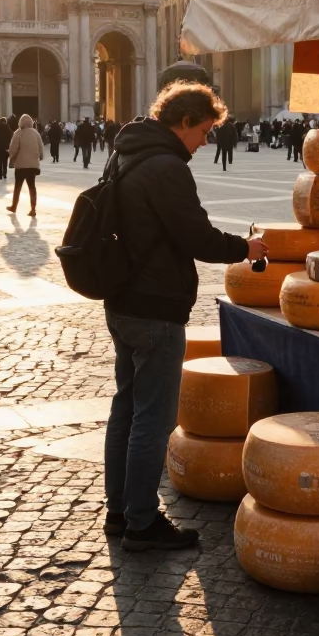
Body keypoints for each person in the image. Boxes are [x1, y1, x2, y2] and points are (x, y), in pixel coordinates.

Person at [103, 82, 268, 552]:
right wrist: (245, 248)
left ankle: (119, 510)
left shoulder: (127, 152)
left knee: (126, 409)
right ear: (183, 122)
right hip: (155, 306)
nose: (205, 140)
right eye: (204, 130)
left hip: (122, 302)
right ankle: (140, 523)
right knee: (152, 420)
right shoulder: (166, 166)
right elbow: (194, 236)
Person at [6, 113, 43, 217]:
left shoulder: (18, 133)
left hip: (21, 165)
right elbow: (41, 148)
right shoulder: (36, 133)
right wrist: (40, 156)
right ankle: (33, 209)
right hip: (32, 165)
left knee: (18, 186)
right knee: (32, 187)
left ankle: (14, 206)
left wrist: (10, 154)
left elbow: (13, 149)